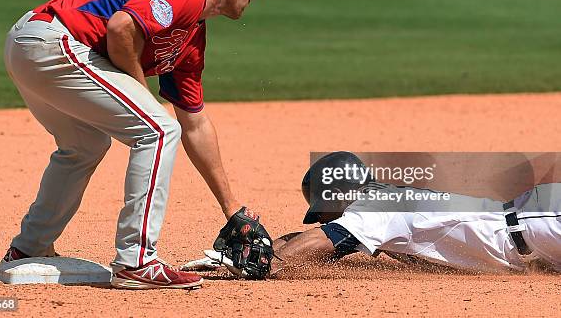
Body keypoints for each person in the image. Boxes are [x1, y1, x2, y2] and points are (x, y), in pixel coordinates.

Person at [1, 0, 277, 290]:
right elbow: (121, 28)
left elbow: (194, 123)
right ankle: (137, 261)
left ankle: (29, 248)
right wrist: (142, 96)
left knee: (84, 144)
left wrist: (232, 207)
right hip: (52, 43)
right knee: (158, 130)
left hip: (34, 47)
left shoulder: (191, 37)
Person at [185, 152, 561, 276]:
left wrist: (261, 263)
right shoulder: (387, 200)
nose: (322, 220)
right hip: (538, 217)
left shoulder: (373, 212)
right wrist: (229, 257)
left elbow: (317, 243)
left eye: (324, 211)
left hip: (545, 228)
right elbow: (316, 236)